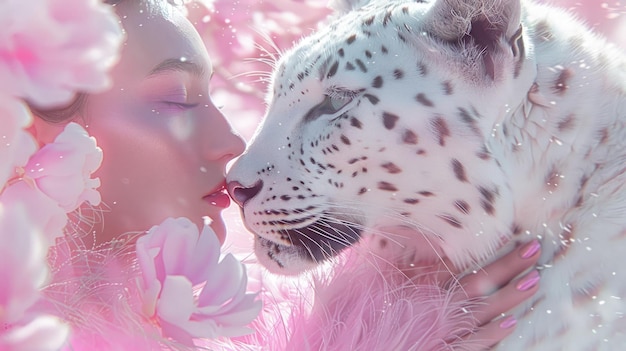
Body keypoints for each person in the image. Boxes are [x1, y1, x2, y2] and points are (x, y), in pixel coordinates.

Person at [26, 0, 540, 349]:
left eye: (211, 94)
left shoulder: (255, 302)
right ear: (31, 135)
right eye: (177, 99)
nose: (232, 142)